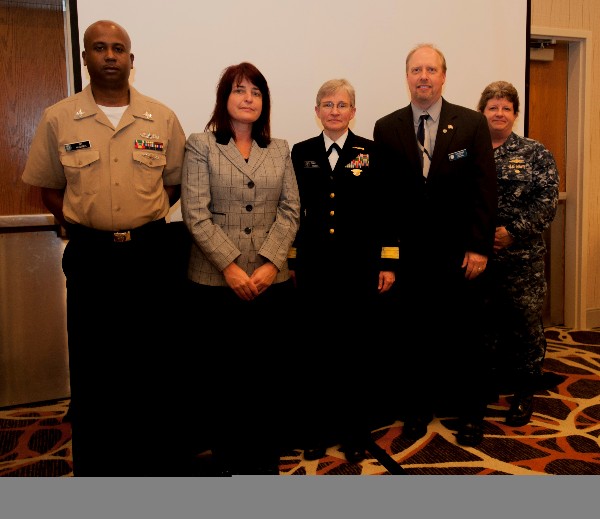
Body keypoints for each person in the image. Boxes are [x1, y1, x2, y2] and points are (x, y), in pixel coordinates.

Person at [21, 20, 194, 475]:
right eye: (100, 48)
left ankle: (154, 462)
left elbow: (174, 183)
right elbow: (49, 190)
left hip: (150, 256)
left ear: (132, 60)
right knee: (95, 367)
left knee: (151, 364)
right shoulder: (58, 118)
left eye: (119, 48)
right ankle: (100, 468)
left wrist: (139, 217)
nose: (111, 55)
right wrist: (88, 223)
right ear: (85, 58)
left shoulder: (161, 117)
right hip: (92, 258)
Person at [373, 43, 497, 447]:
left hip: (460, 255)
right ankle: (415, 411)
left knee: (466, 337)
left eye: (431, 69)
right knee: (413, 339)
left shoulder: (471, 124)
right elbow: (385, 201)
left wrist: (480, 247)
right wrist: (387, 257)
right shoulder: (386, 127)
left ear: (444, 76)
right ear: (406, 76)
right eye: (416, 69)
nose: (423, 76)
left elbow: (484, 190)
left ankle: (472, 414)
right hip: (410, 258)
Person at [181, 62, 300, 475]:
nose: (248, 98)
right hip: (216, 284)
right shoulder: (201, 144)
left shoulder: (280, 148)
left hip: (271, 283)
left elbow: (290, 210)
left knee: (265, 381)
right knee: (223, 381)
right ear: (224, 98)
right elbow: (195, 212)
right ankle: (228, 463)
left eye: (256, 92)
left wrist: (270, 263)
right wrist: (230, 267)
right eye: (239, 90)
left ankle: (263, 464)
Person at [288, 79, 399, 463]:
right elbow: (291, 212)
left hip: (359, 268)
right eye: (327, 104)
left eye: (342, 104)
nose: (334, 110)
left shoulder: (371, 152)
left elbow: (388, 210)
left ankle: (355, 431)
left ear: (354, 111)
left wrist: (388, 261)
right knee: (316, 353)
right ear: (316, 110)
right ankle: (317, 431)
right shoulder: (300, 153)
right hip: (316, 269)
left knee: (356, 353)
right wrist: (292, 260)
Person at [477, 80, 559, 426]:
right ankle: (485, 390)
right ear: (483, 112)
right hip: (478, 260)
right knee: (483, 329)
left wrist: (511, 233)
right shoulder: (468, 151)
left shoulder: (535, 153)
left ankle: (524, 394)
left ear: (515, 114)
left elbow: (547, 202)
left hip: (521, 262)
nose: (499, 113)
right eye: (492, 107)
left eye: (506, 108)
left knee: (525, 328)